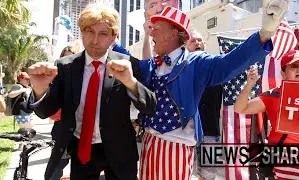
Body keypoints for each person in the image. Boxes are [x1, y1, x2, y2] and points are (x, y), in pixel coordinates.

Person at [133, 0, 288, 178]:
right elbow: (132, 67)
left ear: (173, 33)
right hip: (149, 142)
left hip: (175, 146)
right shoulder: (154, 64)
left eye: (156, 28)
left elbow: (229, 63)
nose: (151, 33)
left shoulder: (196, 62)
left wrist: (264, 34)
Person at [28, 3, 156, 180]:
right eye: (89, 31)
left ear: (113, 37)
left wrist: (130, 82)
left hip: (120, 151)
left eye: (103, 33)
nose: (95, 40)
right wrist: (40, 89)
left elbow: (150, 107)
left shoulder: (129, 64)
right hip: (82, 151)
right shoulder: (65, 66)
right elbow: (46, 112)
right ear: (81, 32)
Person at [234, 49, 299, 179]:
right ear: (283, 73)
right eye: (294, 66)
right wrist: (249, 84)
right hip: (283, 159)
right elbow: (240, 108)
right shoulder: (273, 95)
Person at [186, 30, 223, 180]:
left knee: (209, 176)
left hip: (212, 133)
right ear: (186, 46)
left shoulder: (216, 66)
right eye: (193, 41)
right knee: (188, 175)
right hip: (187, 133)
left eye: (200, 40)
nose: (197, 43)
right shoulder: (180, 69)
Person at [49, 46, 76, 180]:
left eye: (71, 57)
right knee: (55, 169)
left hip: (80, 131)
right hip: (61, 128)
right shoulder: (55, 81)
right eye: (65, 57)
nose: (67, 61)